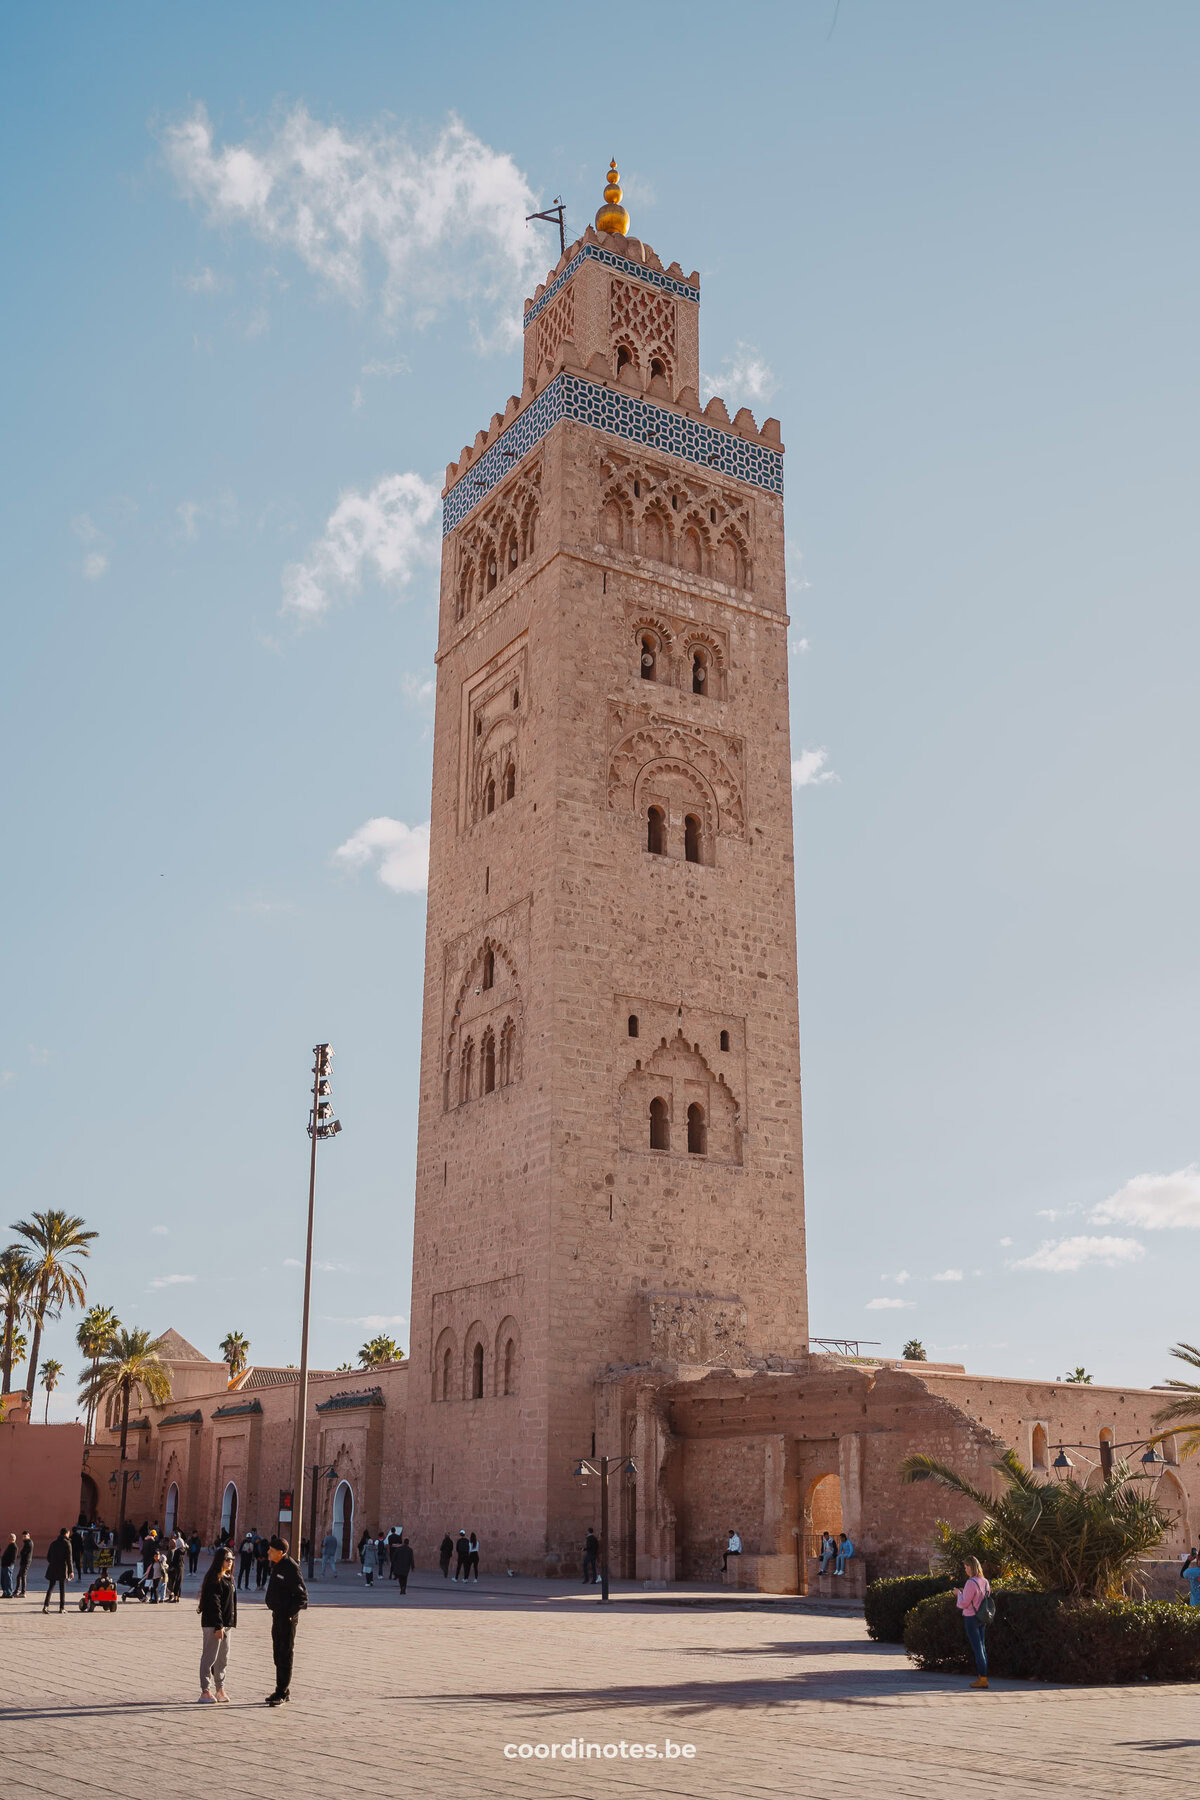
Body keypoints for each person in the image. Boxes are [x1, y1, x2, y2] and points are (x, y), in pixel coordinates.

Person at [264, 1535, 307, 1707]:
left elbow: (302, 1596)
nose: (268, 1552)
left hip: (287, 1619)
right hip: (277, 1616)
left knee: (285, 1653)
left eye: (271, 1551)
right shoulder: (277, 1565)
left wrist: (290, 1614)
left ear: (280, 1553)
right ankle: (281, 1688)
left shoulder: (291, 1567)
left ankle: (282, 1691)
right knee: (277, 1653)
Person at [197, 1545, 237, 1704]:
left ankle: (220, 1688)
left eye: (232, 1559)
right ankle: (205, 1690)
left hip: (226, 1624)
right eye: (227, 1559)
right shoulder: (214, 1578)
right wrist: (218, 1626)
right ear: (220, 1560)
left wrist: (229, 1623)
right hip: (213, 1624)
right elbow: (214, 1604)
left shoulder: (229, 1578)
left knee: (223, 1659)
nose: (230, 1562)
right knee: (209, 1657)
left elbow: (230, 1604)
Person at [954, 1556, 992, 1689]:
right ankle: (983, 1677)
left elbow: (964, 1603)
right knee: (982, 1647)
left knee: (977, 1649)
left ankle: (982, 1679)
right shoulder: (985, 1581)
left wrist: (958, 1594)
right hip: (982, 1617)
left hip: (971, 1618)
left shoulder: (971, 1582)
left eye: (966, 1567)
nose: (965, 1569)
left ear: (971, 1567)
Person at [43, 1527, 73, 1613]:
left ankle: (45, 1606)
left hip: (52, 1567)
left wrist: (53, 1562)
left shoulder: (53, 1543)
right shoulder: (67, 1543)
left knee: (50, 1587)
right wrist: (71, 1571)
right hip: (62, 1568)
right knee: (62, 1589)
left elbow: (48, 1557)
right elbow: (69, 1559)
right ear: (66, 1534)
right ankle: (61, 1608)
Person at [167, 1534, 185, 1603]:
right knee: (179, 1583)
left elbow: (174, 1561)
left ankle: (175, 1598)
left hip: (177, 1568)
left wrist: (169, 1566)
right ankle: (177, 1598)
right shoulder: (183, 1550)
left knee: (176, 1583)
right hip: (182, 1567)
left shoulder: (177, 1551)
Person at [16, 1532, 33, 1597]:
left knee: (23, 1576)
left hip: (26, 1562)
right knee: (19, 1576)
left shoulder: (28, 1543)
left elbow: (23, 1552)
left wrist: (21, 1553)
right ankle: (17, 1591)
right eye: (23, 1536)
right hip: (24, 1562)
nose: (24, 1538)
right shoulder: (27, 1542)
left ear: (29, 1536)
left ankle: (23, 1592)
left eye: (25, 1536)